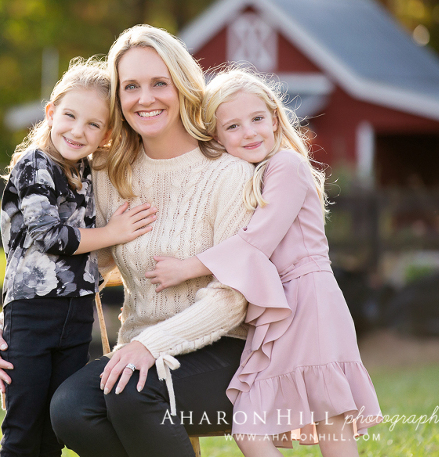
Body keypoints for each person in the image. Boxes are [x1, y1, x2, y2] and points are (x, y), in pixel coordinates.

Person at [0, 24, 254, 457]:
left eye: (159, 83)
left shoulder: (229, 174)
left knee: (132, 390)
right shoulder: (110, 172)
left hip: (225, 352)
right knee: (70, 409)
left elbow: (232, 299)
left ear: (183, 85)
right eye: (131, 87)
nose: (145, 98)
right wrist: (11, 323)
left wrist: (152, 345)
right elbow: (88, 259)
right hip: (140, 349)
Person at [146, 68, 383, 456]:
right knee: (249, 422)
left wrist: (187, 267)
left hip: (309, 299)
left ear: (274, 119)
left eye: (257, 119)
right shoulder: (245, 177)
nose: (249, 132)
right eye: (233, 126)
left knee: (329, 415)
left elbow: (258, 240)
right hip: (275, 307)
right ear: (217, 138)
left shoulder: (288, 165)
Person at [0, 57, 158, 457]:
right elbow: (49, 235)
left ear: (107, 135)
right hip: (32, 313)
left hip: (77, 313)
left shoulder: (85, 171)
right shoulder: (35, 165)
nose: (78, 130)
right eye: (69, 116)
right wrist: (113, 232)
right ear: (51, 113)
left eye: (93, 124)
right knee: (23, 427)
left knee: (54, 429)